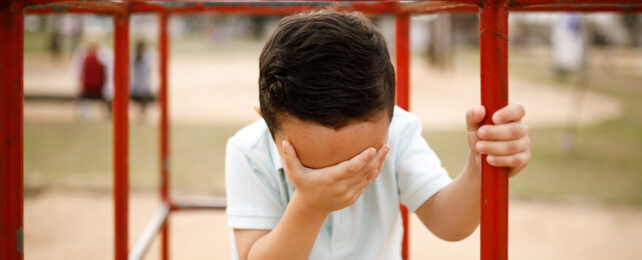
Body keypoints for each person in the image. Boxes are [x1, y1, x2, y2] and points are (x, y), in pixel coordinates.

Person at [225, 11, 531, 260]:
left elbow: (448, 221)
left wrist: (479, 169)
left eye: (364, 162)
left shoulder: (398, 131)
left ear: (390, 113)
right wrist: (311, 203)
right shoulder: (248, 152)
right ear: (268, 122)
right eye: (313, 167)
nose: (340, 177)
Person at [72, 35, 114, 120]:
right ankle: (85, 114)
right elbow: (78, 72)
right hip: (90, 87)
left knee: (109, 95)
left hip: (98, 87)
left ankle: (107, 114)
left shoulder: (102, 56)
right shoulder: (85, 56)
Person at [130, 40, 155, 119]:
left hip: (134, 87)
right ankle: (142, 113)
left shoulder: (133, 57)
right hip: (144, 88)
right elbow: (149, 70)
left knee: (141, 91)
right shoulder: (146, 59)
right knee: (144, 92)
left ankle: (138, 113)